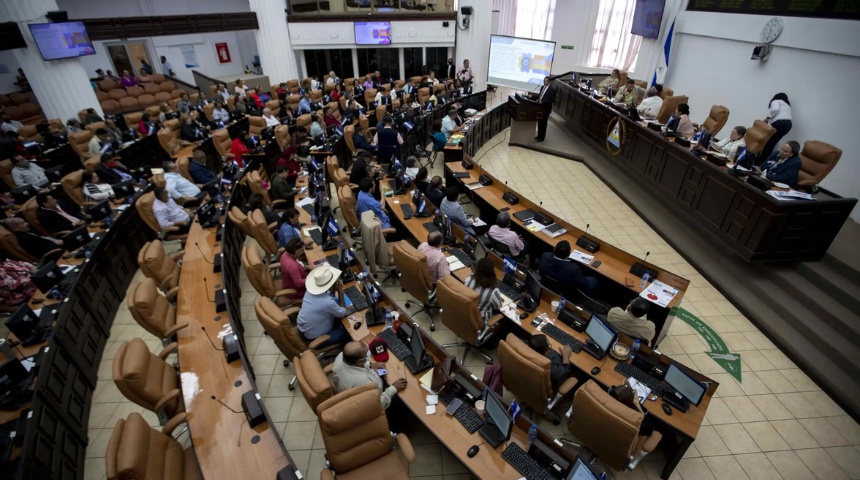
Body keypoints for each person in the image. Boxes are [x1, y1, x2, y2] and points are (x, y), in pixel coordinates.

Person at [331, 341, 407, 410]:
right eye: (366, 353)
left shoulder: (341, 356)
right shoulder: (364, 382)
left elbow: (355, 365)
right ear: (359, 361)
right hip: (373, 400)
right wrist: (393, 388)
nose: (368, 352)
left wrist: (370, 364)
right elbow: (377, 404)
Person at [296, 265, 351, 348]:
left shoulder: (309, 292)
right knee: (348, 332)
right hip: (315, 338)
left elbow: (328, 297)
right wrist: (340, 292)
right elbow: (342, 313)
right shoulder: (327, 302)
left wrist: (332, 289)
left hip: (303, 330)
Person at [761, 93, 793, 161]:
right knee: (772, 144)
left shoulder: (776, 101)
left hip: (780, 124)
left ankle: (759, 163)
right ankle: (765, 161)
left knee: (768, 144)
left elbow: (775, 109)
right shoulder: (787, 105)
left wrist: (768, 117)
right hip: (788, 125)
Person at [535, 76, 556, 142]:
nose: (545, 82)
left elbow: (552, 100)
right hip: (540, 108)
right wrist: (532, 96)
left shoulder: (552, 90)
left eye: (546, 81)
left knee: (544, 123)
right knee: (539, 122)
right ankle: (538, 135)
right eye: (544, 81)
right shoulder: (542, 87)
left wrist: (542, 101)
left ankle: (542, 137)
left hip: (546, 109)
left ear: (549, 82)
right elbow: (540, 96)